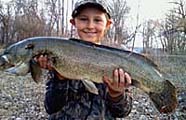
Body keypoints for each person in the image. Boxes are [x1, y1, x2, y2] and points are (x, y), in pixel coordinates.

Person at [35, 0, 133, 119]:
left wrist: (116, 94)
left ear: (107, 24)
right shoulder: (60, 53)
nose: (90, 26)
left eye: (97, 20)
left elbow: (122, 112)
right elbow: (51, 107)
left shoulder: (118, 59)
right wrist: (60, 78)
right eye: (83, 19)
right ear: (73, 22)